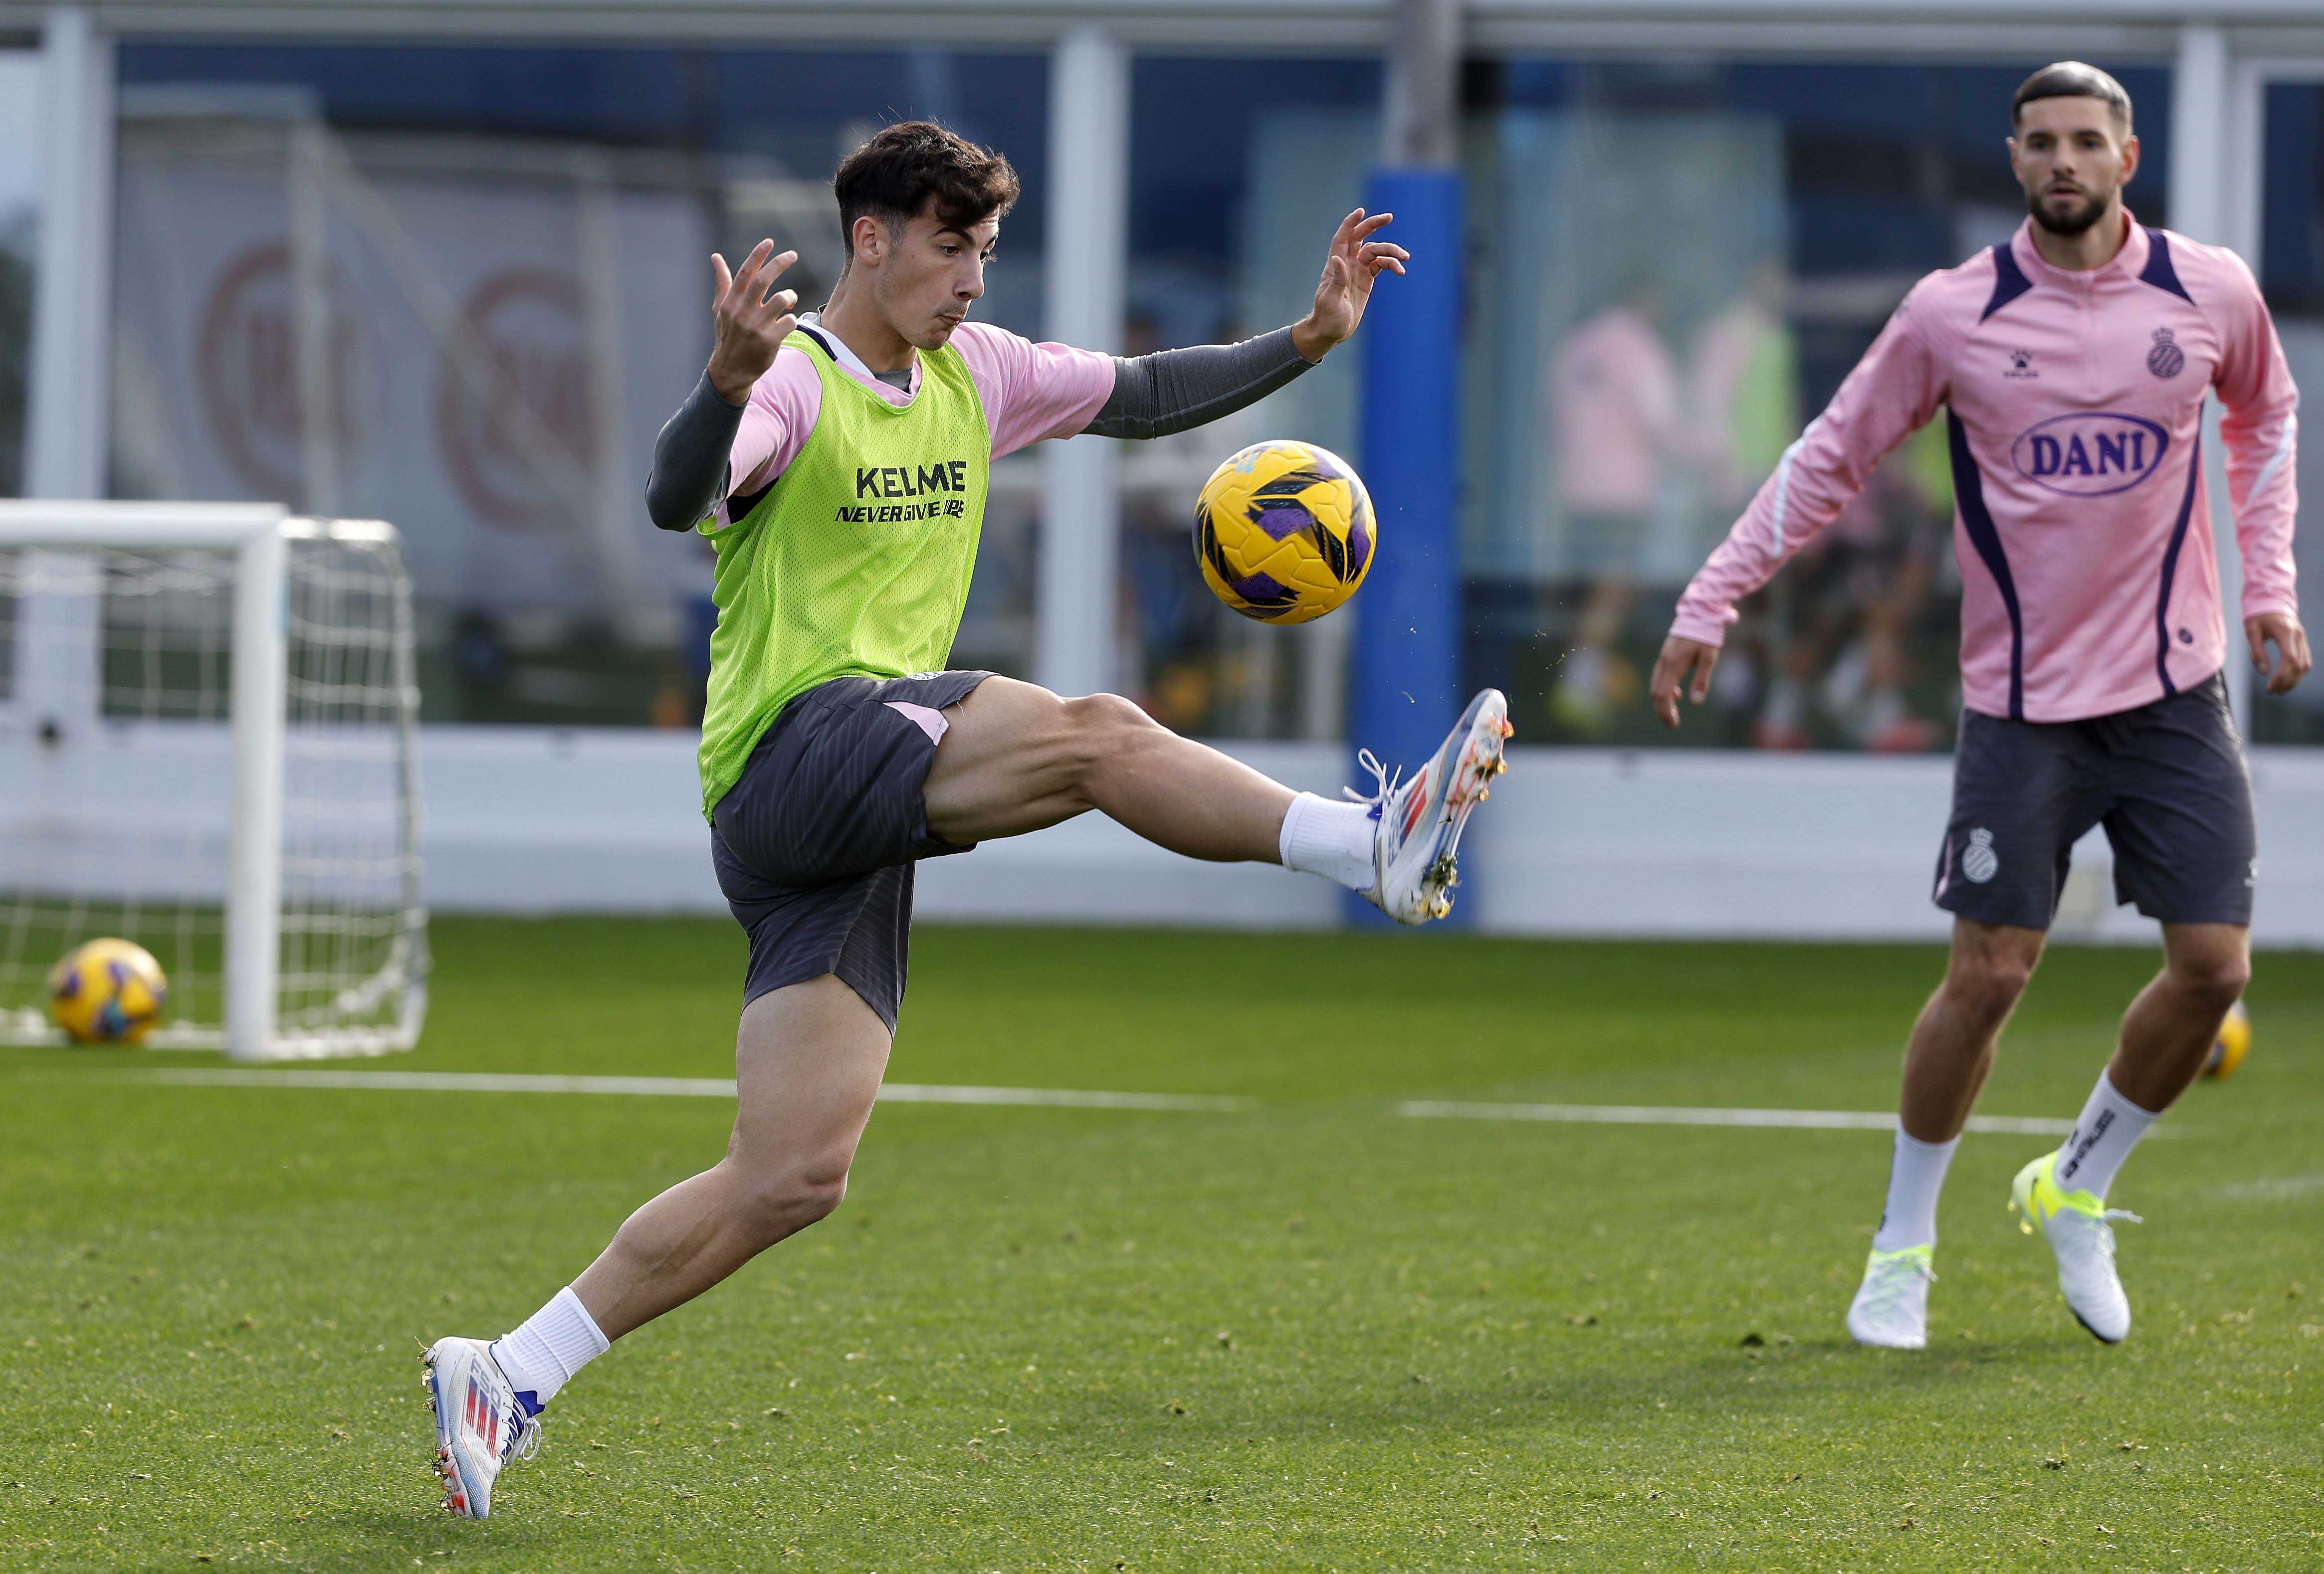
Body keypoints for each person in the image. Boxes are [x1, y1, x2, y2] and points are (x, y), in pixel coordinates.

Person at [419, 120, 1511, 1519]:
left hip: (852, 802)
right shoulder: (797, 385)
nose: (975, 280)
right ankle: (1365, 844)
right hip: (796, 753)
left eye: (986, 250)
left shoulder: (976, 373)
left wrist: (1306, 339)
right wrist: (719, 381)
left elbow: (1141, 390)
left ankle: (506, 1368)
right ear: (869, 240)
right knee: (1097, 734)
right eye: (951, 247)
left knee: (792, 1174)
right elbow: (669, 494)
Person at [1649, 63, 2306, 1351]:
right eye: (2040, 143)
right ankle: (1900, 1247)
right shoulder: (1953, 315)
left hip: (2174, 689)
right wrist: (1709, 597)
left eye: (2086, 141)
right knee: (1991, 973)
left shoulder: (2209, 291)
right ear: (2013, 160)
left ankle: (2077, 1184)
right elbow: (1830, 454)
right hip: (2019, 704)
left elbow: (2263, 420)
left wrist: (2267, 586)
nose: (2063, 161)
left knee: (2211, 966)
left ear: (2125, 155)